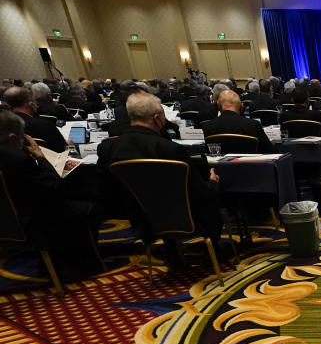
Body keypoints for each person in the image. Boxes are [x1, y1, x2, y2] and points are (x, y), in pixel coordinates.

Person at [98, 93, 224, 263]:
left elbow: (106, 186)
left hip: (140, 219)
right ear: (157, 118)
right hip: (188, 218)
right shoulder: (170, 149)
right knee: (211, 195)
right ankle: (215, 251)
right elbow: (200, 192)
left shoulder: (108, 148)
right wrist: (212, 182)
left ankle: (171, 251)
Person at [0, 110, 103, 276]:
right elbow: (54, 187)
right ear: (12, 137)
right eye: (22, 137)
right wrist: (41, 158)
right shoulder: (18, 159)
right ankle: (83, 264)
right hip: (37, 220)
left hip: (8, 220)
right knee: (93, 206)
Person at [202, 90, 274, 153]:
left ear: (218, 105)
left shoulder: (207, 127)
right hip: (250, 166)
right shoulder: (253, 125)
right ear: (241, 106)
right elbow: (269, 151)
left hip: (219, 168)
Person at [3, 86, 68, 152]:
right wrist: (68, 144)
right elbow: (62, 149)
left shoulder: (4, 124)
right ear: (31, 104)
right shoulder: (45, 125)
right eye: (35, 101)